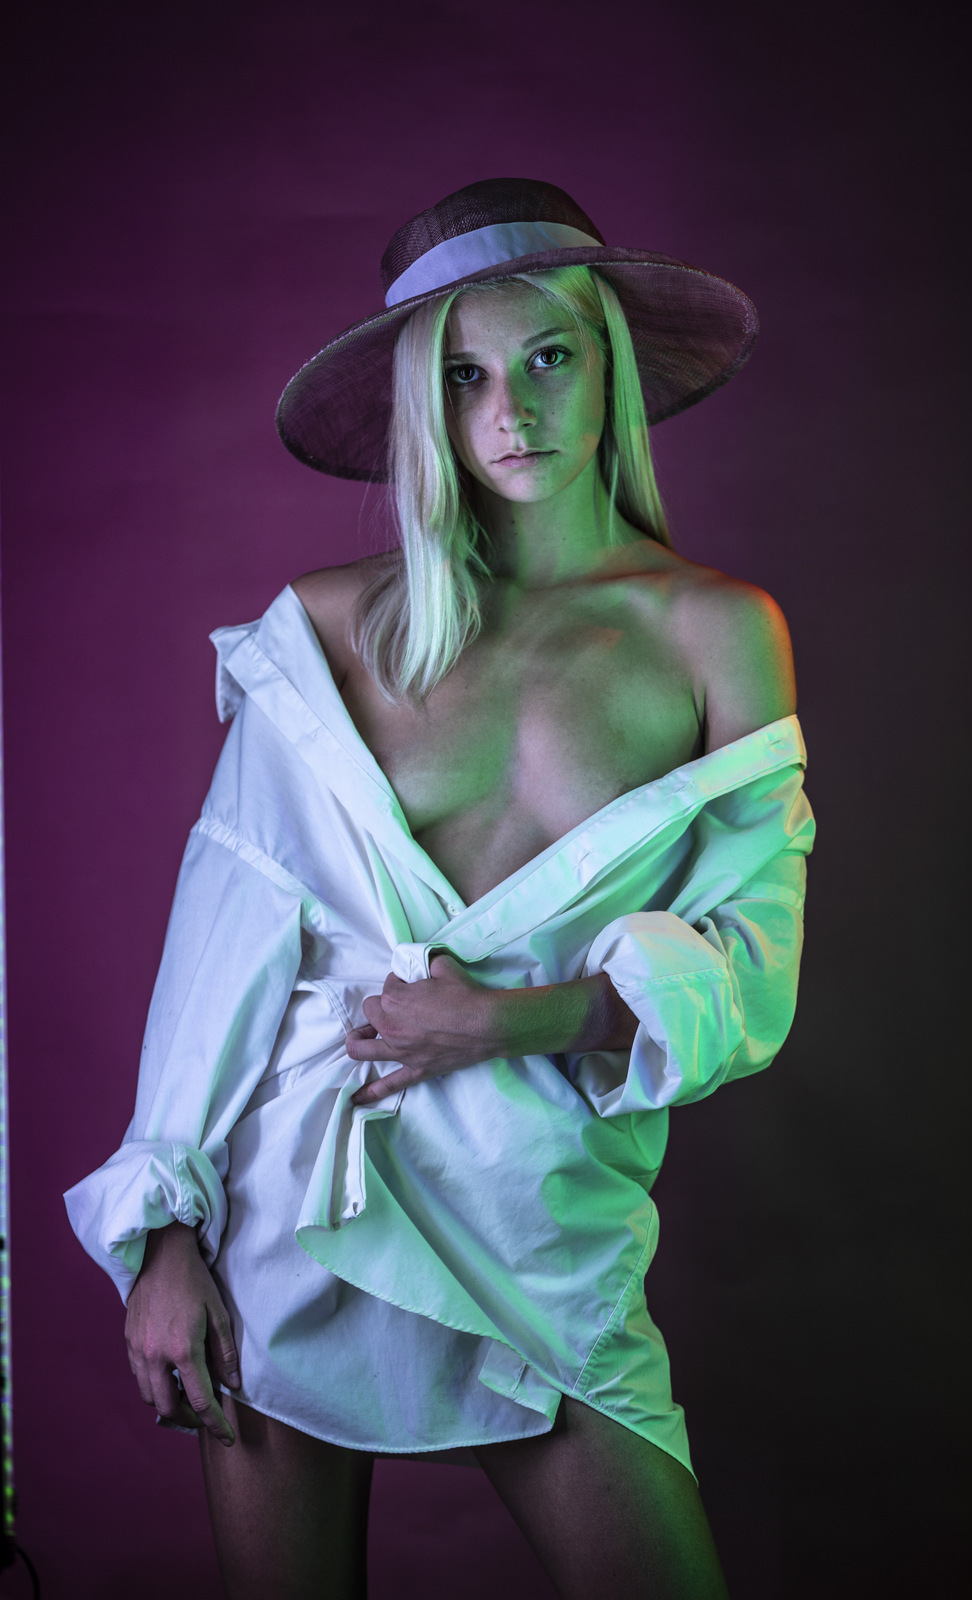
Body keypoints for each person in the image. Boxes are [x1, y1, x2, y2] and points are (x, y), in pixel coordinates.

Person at [65, 178, 814, 1599]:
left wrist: (508, 1023)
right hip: (292, 1197)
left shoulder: (716, 631)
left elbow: (751, 970)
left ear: (610, 367)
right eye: (464, 377)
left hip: (541, 1215)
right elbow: (226, 937)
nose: (511, 411)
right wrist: (161, 1235)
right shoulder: (327, 624)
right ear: (426, 406)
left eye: (548, 358)